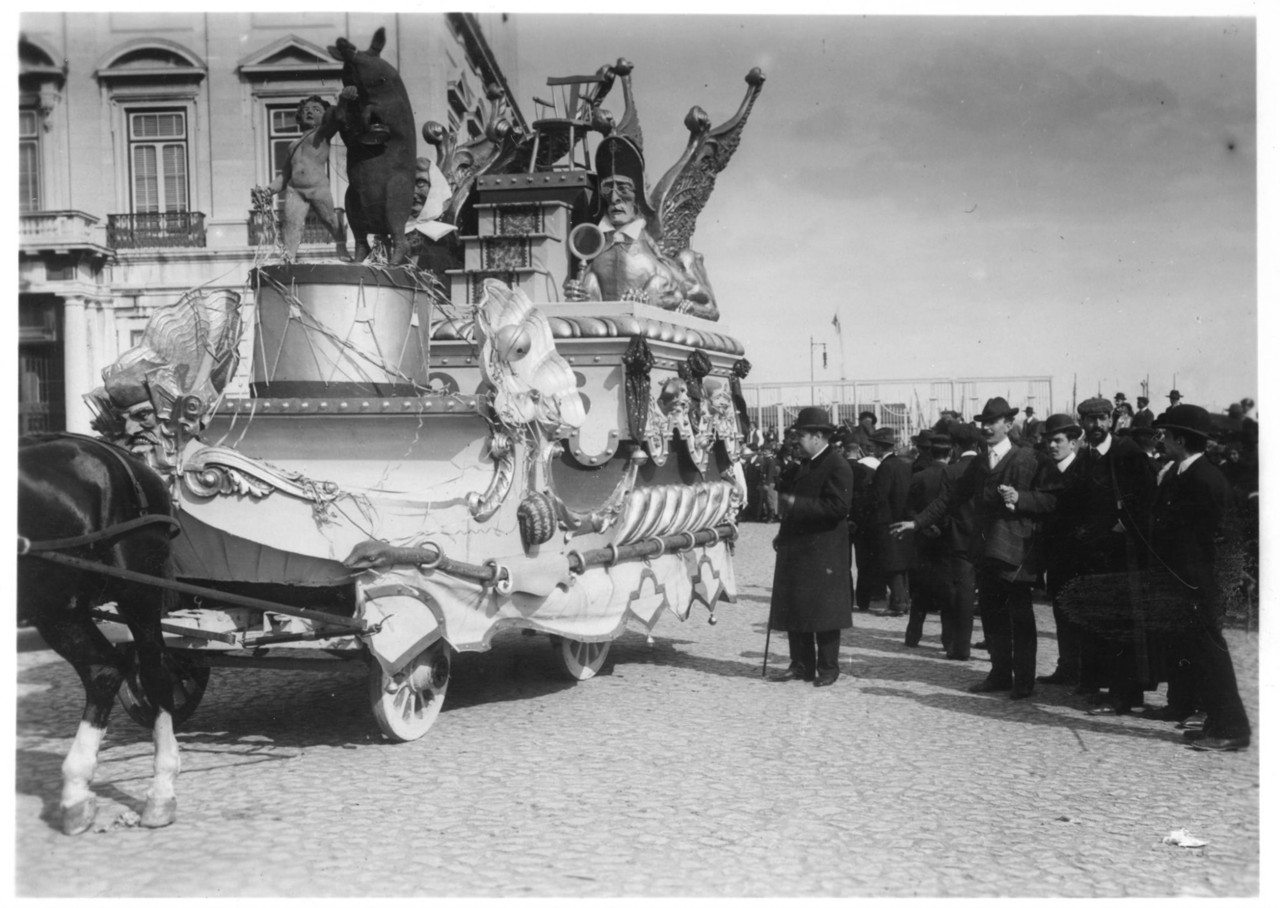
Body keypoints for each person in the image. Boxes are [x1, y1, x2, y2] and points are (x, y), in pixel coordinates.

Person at [893, 397, 1060, 699]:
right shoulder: (981, 462)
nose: (986, 428)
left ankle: (1024, 681)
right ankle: (999, 675)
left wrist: (1021, 498)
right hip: (985, 551)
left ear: (1008, 424)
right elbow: (950, 498)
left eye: (993, 422)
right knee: (993, 617)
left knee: (1020, 618)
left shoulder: (1031, 458)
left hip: (1017, 552)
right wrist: (917, 523)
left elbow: (1052, 499)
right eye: (984, 422)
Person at [1151, 405, 1251, 751]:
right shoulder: (1183, 473)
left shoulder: (1205, 479)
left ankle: (1231, 727)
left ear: (1181, 440)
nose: (1161, 440)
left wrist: (1216, 587)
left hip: (1201, 582)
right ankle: (1215, 722)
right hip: (1186, 579)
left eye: (1166, 435)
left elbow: (1223, 538)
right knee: (1198, 652)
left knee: (1211, 654)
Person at [1068, 397, 1158, 716]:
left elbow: (1148, 498)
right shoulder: (1086, 456)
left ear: (1111, 420)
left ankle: (1124, 695)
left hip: (1124, 553)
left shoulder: (1128, 453)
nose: (1095, 425)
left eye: (1101, 419)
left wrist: (1127, 524)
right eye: (1089, 420)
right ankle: (1112, 688)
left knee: (1123, 622)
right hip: (1096, 553)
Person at [766, 407, 854, 687]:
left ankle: (828, 668)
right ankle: (801, 665)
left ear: (818, 436)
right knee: (797, 606)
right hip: (797, 547)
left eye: (801, 435)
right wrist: (782, 533)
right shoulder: (801, 465)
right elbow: (788, 506)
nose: (797, 441)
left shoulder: (837, 465)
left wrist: (796, 504)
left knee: (825, 611)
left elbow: (838, 507)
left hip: (824, 549)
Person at [1022, 413, 1085, 685]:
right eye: (1048, 441)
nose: (1051, 446)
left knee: (1079, 613)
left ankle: (1084, 671)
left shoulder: (1082, 471)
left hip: (1079, 557)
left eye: (1057, 440)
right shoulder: (1046, 471)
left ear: (1073, 442)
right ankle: (1067, 666)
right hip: (1055, 556)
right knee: (1061, 612)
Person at [253, 95, 348, 262]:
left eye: (316, 110)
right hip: (294, 190)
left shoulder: (322, 134)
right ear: (299, 116)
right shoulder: (292, 145)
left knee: (330, 220)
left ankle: (342, 247)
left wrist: (343, 101)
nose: (310, 112)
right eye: (306, 110)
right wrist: (268, 190)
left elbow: (336, 119)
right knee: (291, 223)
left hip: (317, 188)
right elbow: (285, 175)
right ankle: (288, 257)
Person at [904, 432, 953, 649]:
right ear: (950, 454)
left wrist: (923, 525)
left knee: (920, 590)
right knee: (947, 592)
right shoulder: (953, 476)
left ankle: (913, 635)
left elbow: (908, 508)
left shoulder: (919, 476)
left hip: (922, 538)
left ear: (930, 454)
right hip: (946, 539)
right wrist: (941, 527)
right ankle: (948, 639)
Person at [938, 421, 982, 660]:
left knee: (963, 594)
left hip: (960, 539)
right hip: (986, 537)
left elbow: (944, 507)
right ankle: (994, 646)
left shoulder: (951, 471)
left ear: (955, 447)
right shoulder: (987, 465)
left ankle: (961, 646)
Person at [870, 426, 915, 618]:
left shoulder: (885, 467)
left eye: (874, 446)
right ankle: (904, 600)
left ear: (880, 447)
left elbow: (879, 496)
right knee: (901, 563)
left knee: (891, 564)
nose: (873, 449)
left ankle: (898, 603)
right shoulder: (905, 464)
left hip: (887, 520)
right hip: (903, 518)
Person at [849, 434, 884, 611]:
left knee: (844, 563)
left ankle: (847, 598)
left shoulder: (843, 467)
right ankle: (864, 599)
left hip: (847, 520)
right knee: (865, 563)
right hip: (864, 521)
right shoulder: (873, 470)